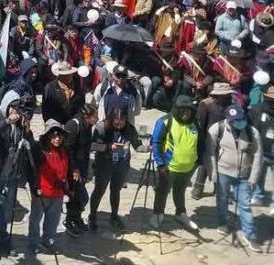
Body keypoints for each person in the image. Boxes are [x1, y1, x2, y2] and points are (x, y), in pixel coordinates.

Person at [205, 103, 263, 252]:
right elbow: (210, 153)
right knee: (222, 200)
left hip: (244, 174)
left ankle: (250, 235)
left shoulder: (252, 132)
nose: (236, 122)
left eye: (239, 119)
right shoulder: (217, 129)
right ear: (227, 119)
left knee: (245, 204)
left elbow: (258, 155)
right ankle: (223, 222)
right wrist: (213, 174)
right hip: (223, 171)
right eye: (232, 120)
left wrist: (254, 177)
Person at [0, 90, 31, 258]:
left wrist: (26, 130)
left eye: (19, 109)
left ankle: (2, 237)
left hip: (10, 172)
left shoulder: (19, 123)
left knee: (6, 208)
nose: (16, 112)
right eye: (13, 107)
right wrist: (7, 121)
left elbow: (23, 144)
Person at [150, 94, 201, 231]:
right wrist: (160, 164)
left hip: (188, 167)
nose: (186, 113)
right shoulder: (165, 121)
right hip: (169, 167)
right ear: (177, 109)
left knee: (180, 191)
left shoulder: (195, 122)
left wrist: (198, 161)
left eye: (189, 110)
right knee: (162, 191)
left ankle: (181, 214)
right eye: (183, 110)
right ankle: (158, 214)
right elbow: (156, 142)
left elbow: (200, 142)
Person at [89, 108, 144, 232]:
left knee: (116, 191)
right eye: (116, 120)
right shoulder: (101, 127)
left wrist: (146, 148)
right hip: (104, 165)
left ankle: (114, 216)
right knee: (99, 191)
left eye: (122, 120)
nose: (119, 123)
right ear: (111, 119)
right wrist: (109, 147)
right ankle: (92, 216)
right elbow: (93, 145)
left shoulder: (129, 128)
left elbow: (137, 145)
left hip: (121, 166)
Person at [27, 120, 69, 254]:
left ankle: (49, 241)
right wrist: (34, 186)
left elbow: (65, 169)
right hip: (42, 191)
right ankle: (33, 242)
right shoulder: (39, 149)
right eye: (54, 135)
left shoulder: (63, 150)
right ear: (48, 136)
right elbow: (31, 168)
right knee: (36, 218)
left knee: (53, 219)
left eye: (60, 136)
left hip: (58, 192)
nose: (57, 139)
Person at [190, 80, 234, 200]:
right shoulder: (206, 104)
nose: (228, 96)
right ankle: (197, 190)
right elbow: (200, 122)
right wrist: (201, 139)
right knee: (205, 164)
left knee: (223, 164)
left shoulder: (231, 104)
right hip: (209, 137)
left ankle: (219, 190)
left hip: (226, 137)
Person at [63, 102, 98, 235]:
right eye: (95, 116)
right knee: (81, 197)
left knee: (77, 196)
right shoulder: (74, 125)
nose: (97, 119)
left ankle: (76, 219)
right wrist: (74, 169)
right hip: (72, 169)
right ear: (86, 116)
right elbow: (68, 150)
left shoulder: (87, 126)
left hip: (82, 166)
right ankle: (69, 221)